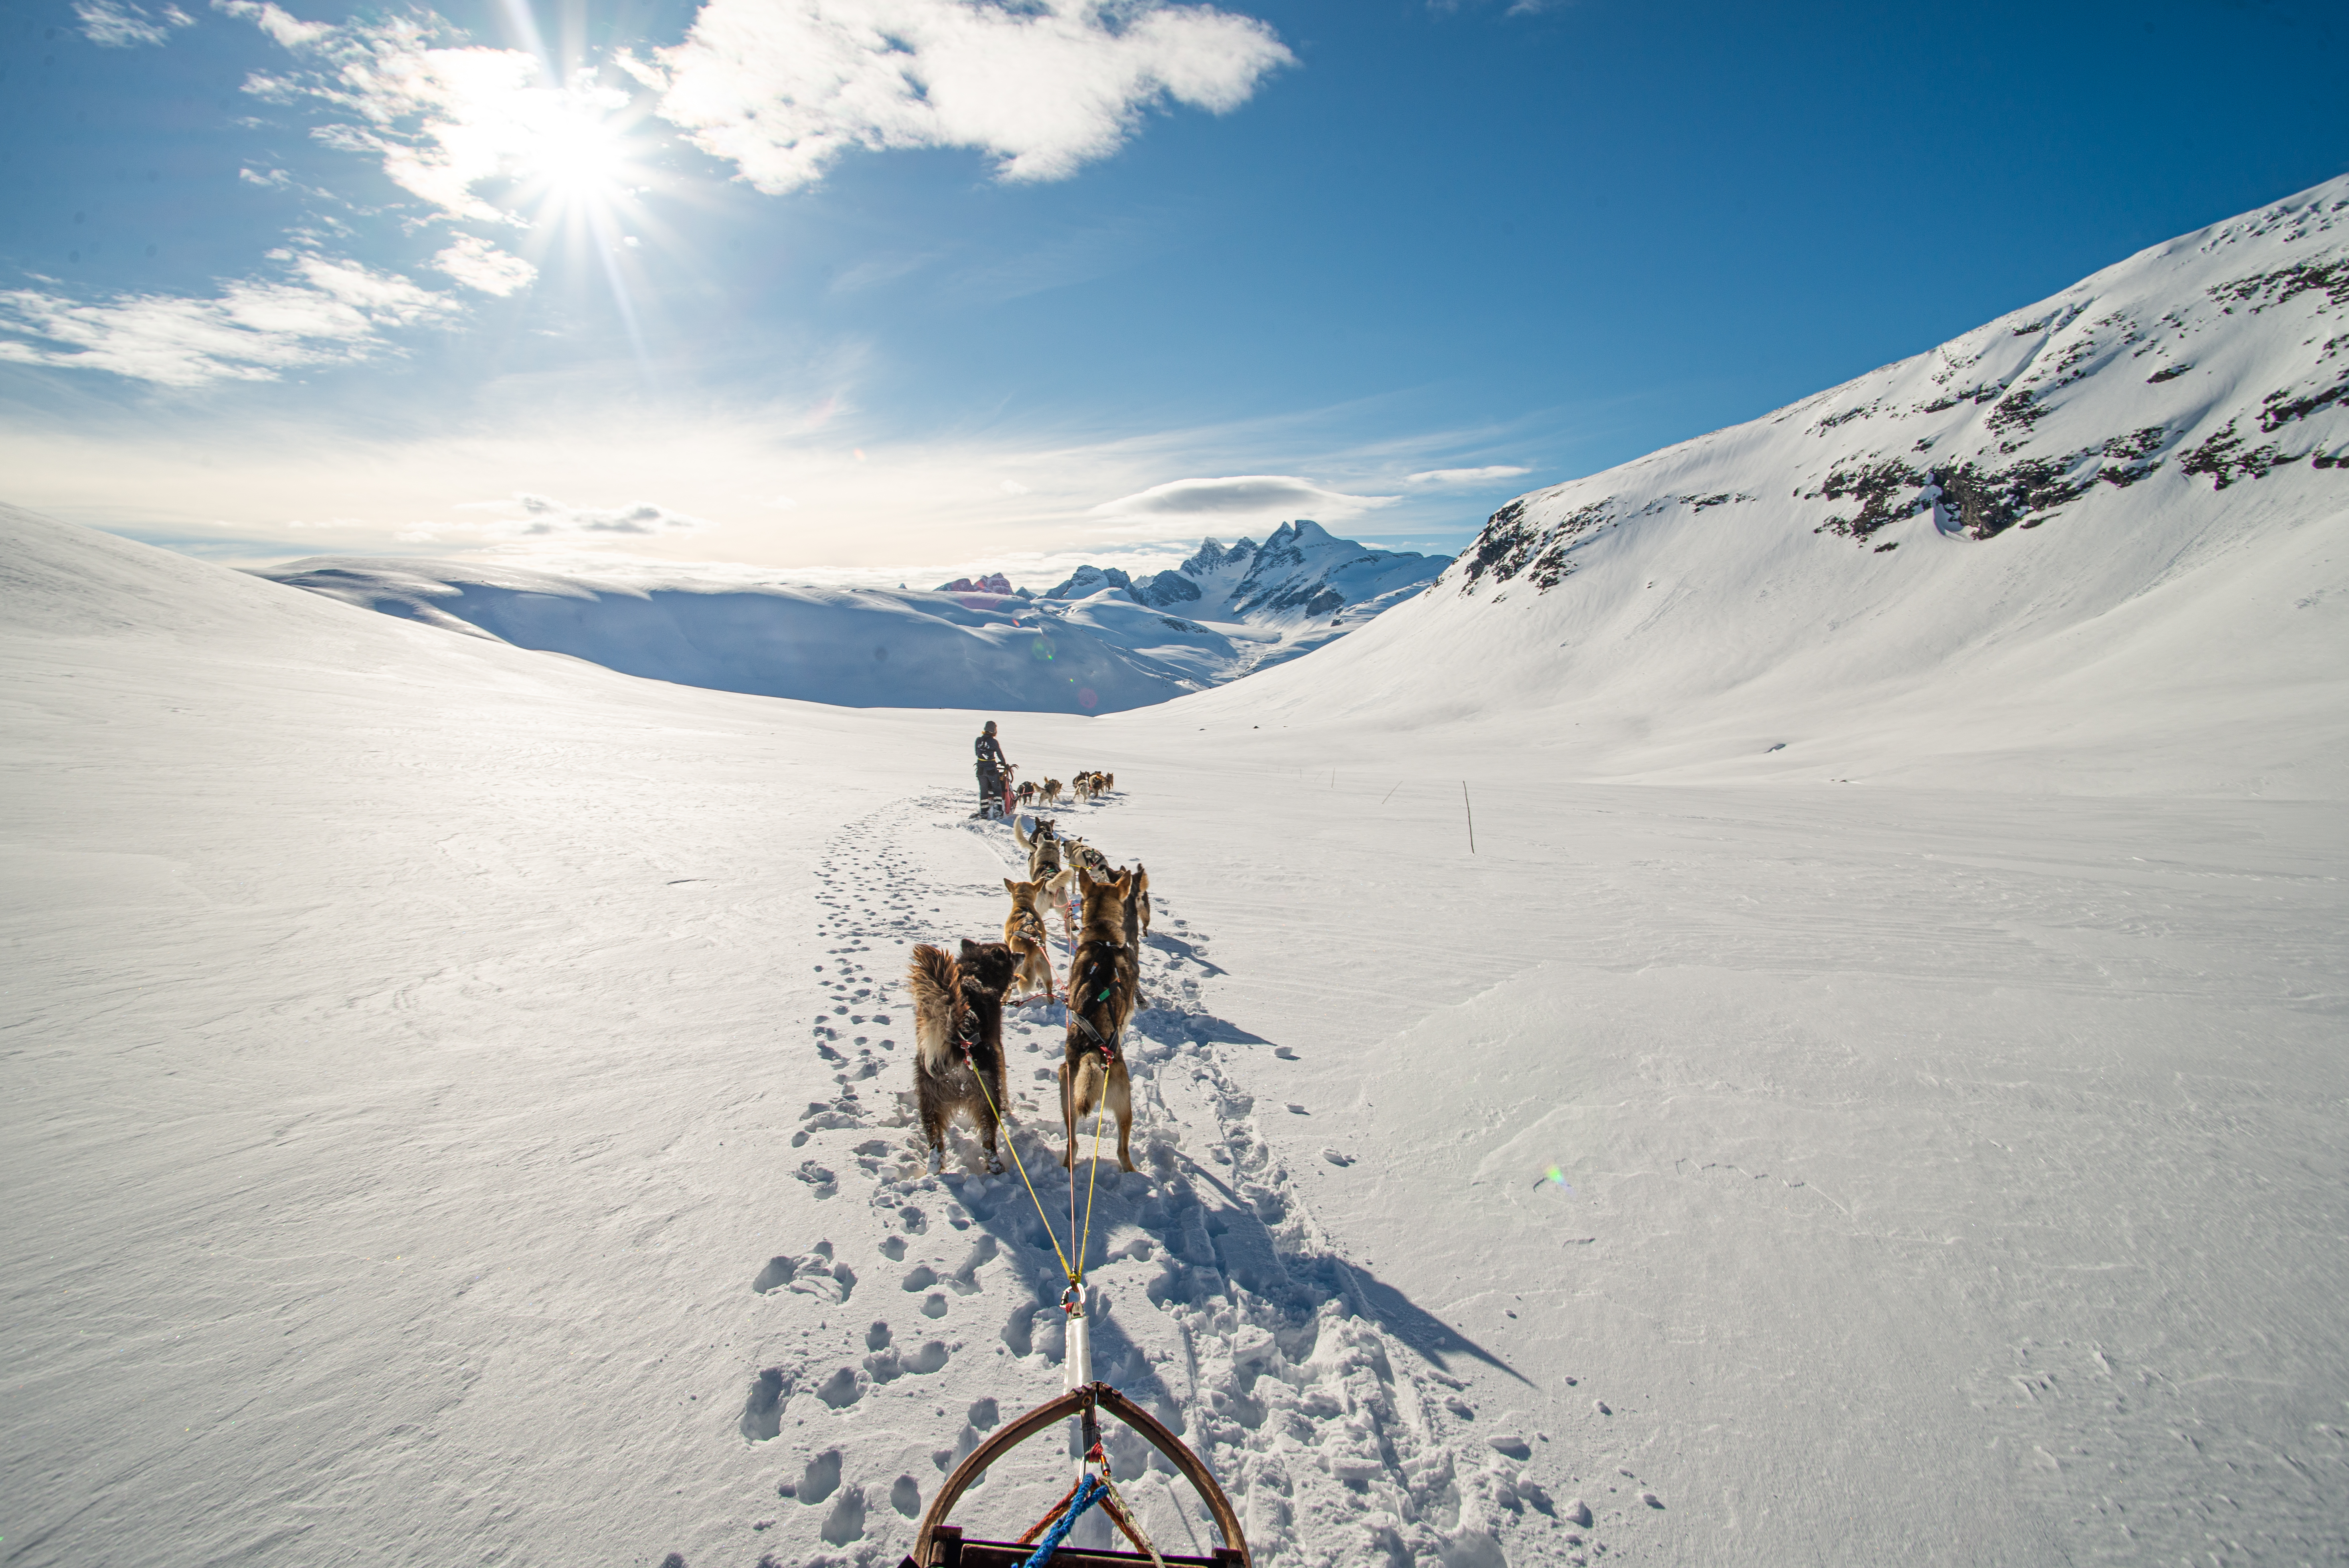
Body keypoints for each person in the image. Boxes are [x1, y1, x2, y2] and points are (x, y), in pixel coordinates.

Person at [974, 720, 1012, 817]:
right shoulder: (994, 742)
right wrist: (1005, 764)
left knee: (984, 790)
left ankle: (984, 812)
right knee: (997, 789)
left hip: (981, 770)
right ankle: (998, 811)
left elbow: (977, 753)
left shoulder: (978, 740)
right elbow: (1000, 755)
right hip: (991, 769)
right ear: (994, 730)